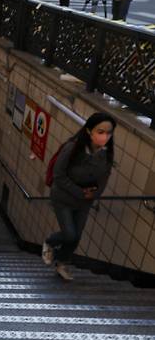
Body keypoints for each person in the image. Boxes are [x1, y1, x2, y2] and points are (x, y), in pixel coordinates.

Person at [42, 113, 115, 280]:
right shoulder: (73, 148)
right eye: (100, 131)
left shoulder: (107, 154)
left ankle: (61, 263)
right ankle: (50, 242)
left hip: (84, 202)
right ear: (89, 131)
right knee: (69, 234)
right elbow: (58, 174)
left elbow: (104, 178)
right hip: (63, 197)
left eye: (109, 132)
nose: (105, 136)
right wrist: (80, 192)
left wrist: (95, 194)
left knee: (77, 236)